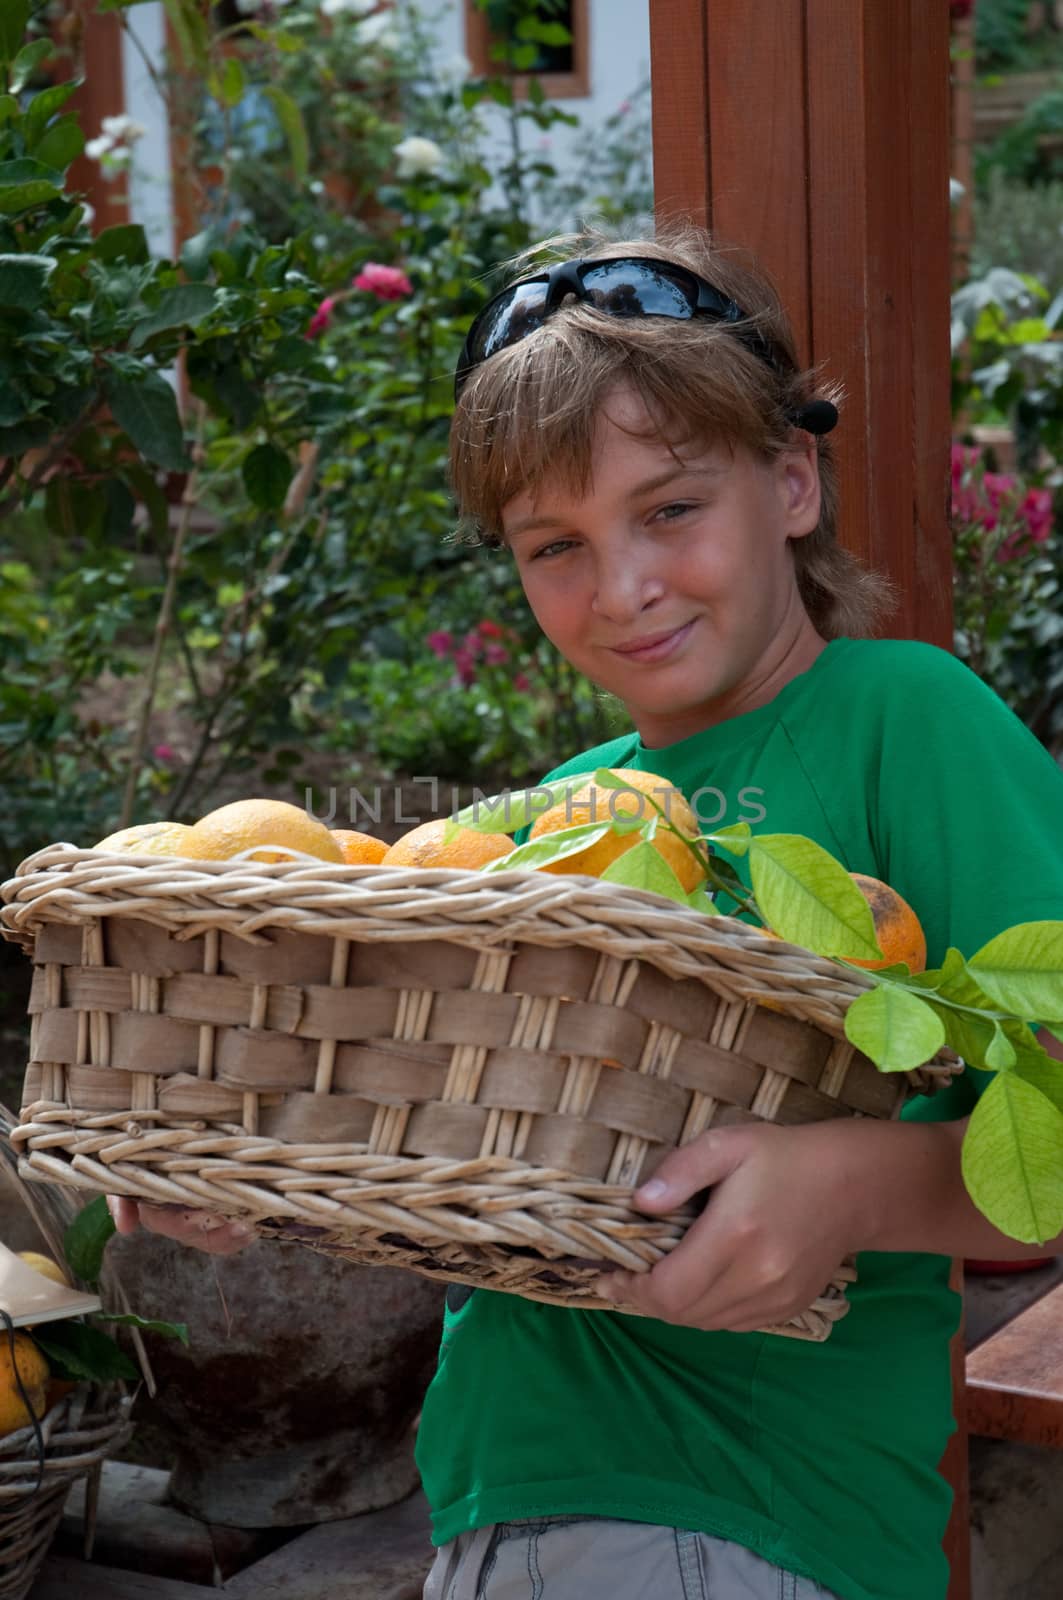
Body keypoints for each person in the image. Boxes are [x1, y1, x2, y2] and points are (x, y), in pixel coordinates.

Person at [110, 224, 1063, 1600]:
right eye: (555, 543)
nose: (622, 589)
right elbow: (464, 1148)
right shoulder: (566, 817)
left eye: (669, 509)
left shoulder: (901, 721)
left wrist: (852, 1184)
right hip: (504, 1506)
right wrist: (248, 1172)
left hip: (745, 1510)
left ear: (791, 479)